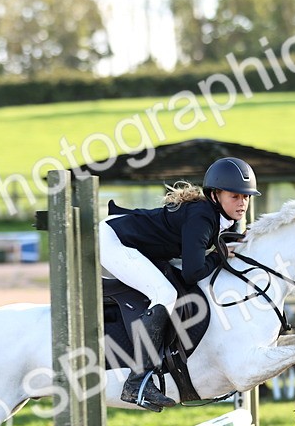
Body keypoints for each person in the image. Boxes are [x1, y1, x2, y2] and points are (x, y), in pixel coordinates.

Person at [100, 156, 260, 411]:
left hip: (133, 243)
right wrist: (218, 255)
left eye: (246, 197)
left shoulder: (223, 217)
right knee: (164, 293)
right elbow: (192, 272)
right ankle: (137, 381)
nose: (242, 203)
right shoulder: (202, 218)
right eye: (235, 196)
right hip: (113, 242)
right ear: (216, 195)